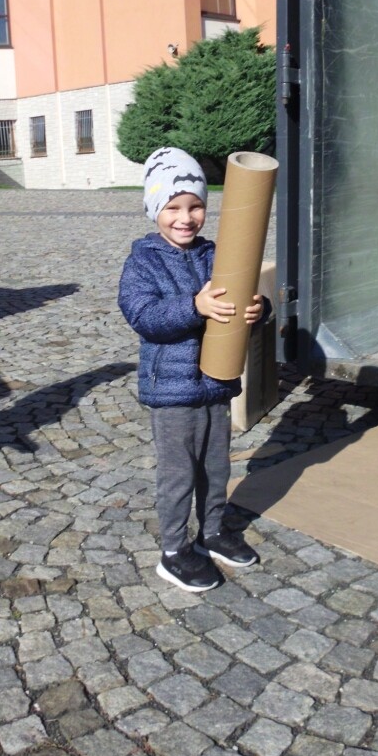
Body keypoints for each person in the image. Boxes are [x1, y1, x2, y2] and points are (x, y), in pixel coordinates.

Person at [118, 146, 266, 592]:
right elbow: (143, 315)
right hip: (172, 389)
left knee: (216, 468)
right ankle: (173, 551)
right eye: (173, 207)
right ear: (154, 209)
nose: (186, 218)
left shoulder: (214, 253)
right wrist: (193, 306)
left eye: (196, 206)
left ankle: (212, 533)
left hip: (215, 383)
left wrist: (260, 309)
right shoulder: (143, 260)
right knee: (178, 473)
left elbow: (240, 296)